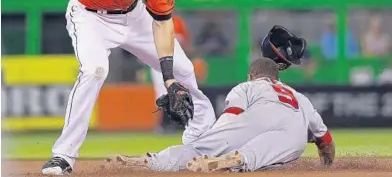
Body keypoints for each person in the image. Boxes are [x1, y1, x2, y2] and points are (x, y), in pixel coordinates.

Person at [12, 0, 216, 175]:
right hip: (89, 16)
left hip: (133, 15)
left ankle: (202, 141)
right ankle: (63, 156)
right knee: (95, 70)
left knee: (183, 69)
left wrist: (168, 77)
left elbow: (162, 21)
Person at [107, 26, 335, 172]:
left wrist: (213, 142)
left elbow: (231, 118)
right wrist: (326, 163)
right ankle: (238, 160)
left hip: (255, 120)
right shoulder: (301, 98)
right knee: (271, 149)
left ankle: (147, 161)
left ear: (251, 76)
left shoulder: (246, 87)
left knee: (197, 149)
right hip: (292, 135)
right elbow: (326, 141)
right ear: (277, 75)